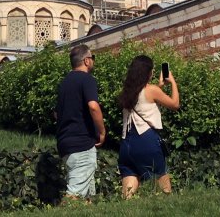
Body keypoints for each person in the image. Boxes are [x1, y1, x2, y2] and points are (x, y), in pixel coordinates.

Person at [117, 54, 180, 198]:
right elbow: (175, 104)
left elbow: (143, 100)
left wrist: (159, 87)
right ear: (148, 72)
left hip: (126, 143)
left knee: (129, 185)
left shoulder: (128, 92)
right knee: (164, 187)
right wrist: (173, 82)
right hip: (146, 140)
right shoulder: (151, 90)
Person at [55, 44, 105, 200]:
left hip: (66, 143)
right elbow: (93, 106)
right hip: (81, 143)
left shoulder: (64, 83)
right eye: (92, 58)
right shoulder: (87, 79)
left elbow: (56, 113)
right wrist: (102, 132)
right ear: (87, 61)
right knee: (74, 196)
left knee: (88, 196)